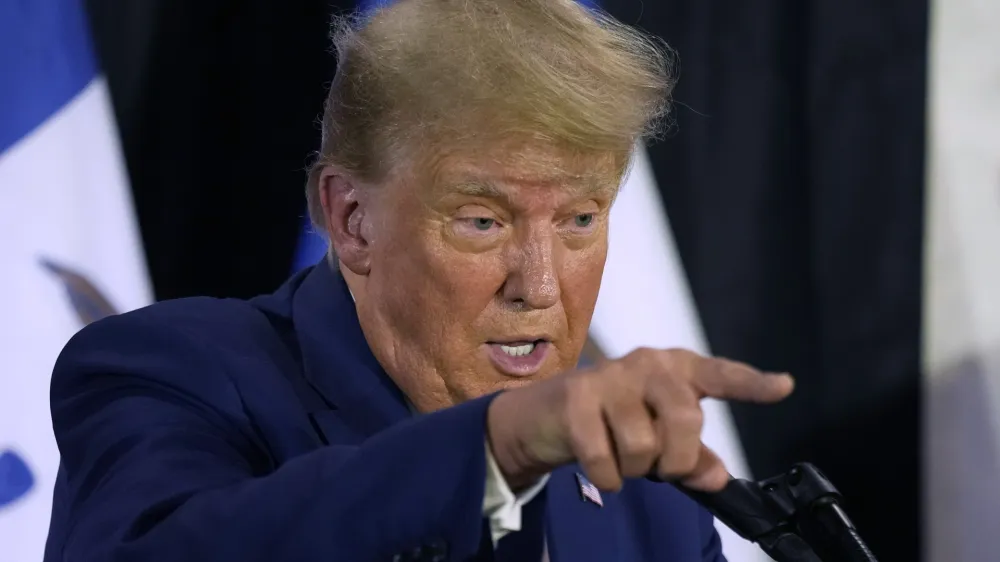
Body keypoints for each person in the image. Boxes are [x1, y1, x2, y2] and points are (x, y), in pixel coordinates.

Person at [43, 0, 794, 560]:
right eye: (483, 221)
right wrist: (495, 449)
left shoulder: (649, 504)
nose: (538, 286)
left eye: (579, 220)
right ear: (352, 220)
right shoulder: (173, 371)